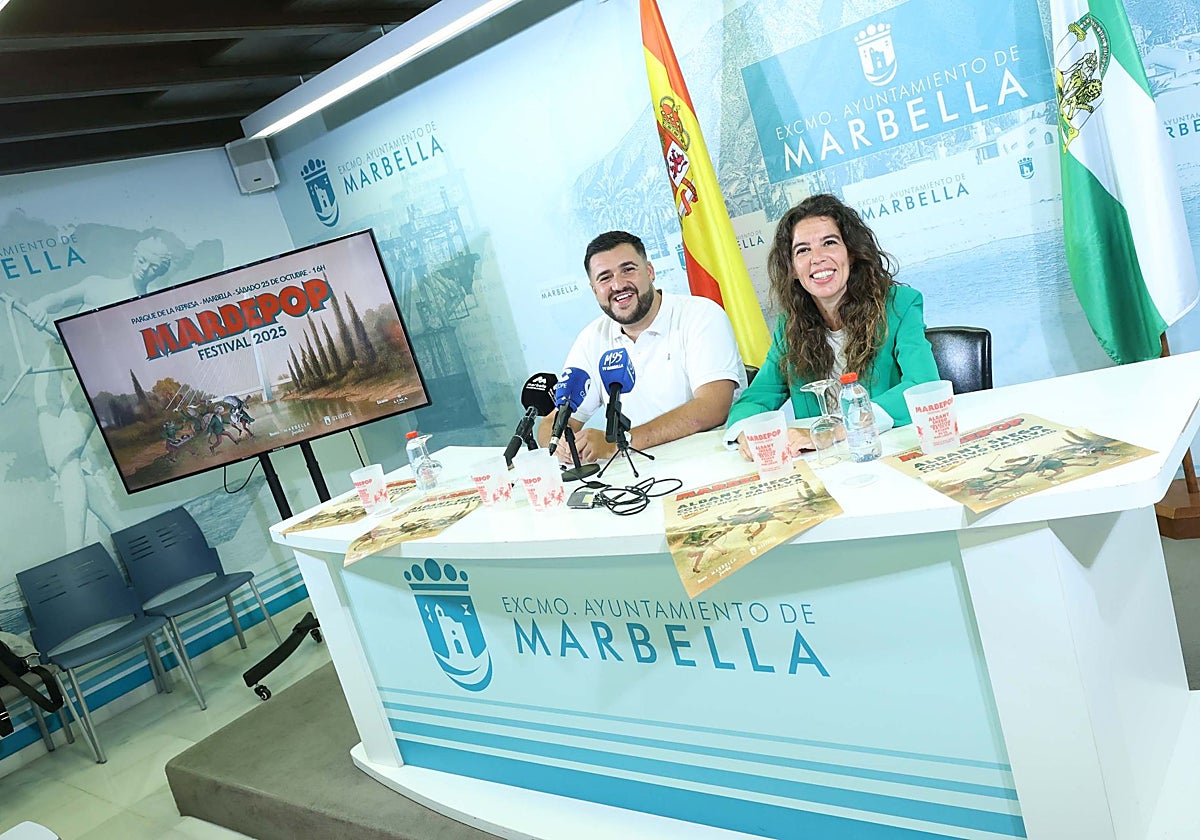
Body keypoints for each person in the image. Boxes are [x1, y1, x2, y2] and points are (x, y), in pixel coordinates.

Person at [725, 194, 939, 459]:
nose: (817, 258)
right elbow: (756, 398)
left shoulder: (901, 305)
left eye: (829, 243)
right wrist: (749, 431)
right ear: (792, 268)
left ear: (851, 253)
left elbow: (924, 386)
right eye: (802, 250)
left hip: (895, 454)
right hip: (826, 465)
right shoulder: (789, 328)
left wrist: (837, 430)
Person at [538, 231, 746, 464]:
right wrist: (561, 445)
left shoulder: (700, 315)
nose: (618, 285)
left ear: (650, 271)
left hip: (714, 465)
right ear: (595, 290)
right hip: (637, 477)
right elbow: (552, 424)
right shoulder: (592, 338)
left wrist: (618, 442)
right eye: (605, 278)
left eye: (628, 269)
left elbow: (712, 408)